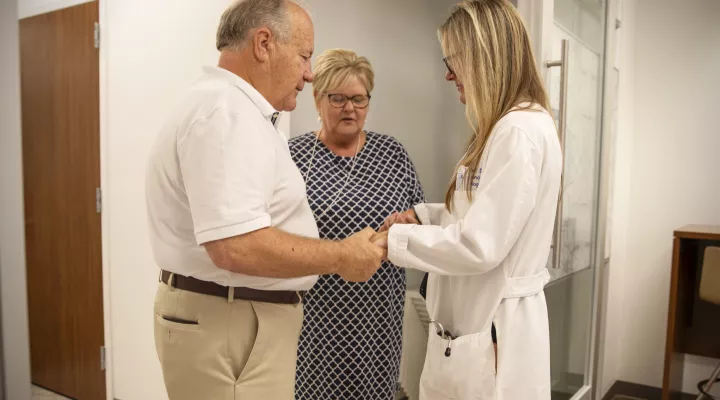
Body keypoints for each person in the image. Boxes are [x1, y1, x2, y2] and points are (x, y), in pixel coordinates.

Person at [145, 1, 385, 399]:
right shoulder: (225, 114)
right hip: (232, 324)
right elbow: (235, 246)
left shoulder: (238, 111)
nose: (309, 74)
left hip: (237, 319)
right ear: (263, 44)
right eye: (305, 57)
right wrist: (342, 255)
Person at [374, 0, 563, 398]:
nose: (448, 75)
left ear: (484, 57)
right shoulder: (503, 127)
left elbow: (481, 243)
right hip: (475, 330)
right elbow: (484, 211)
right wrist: (424, 218)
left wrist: (391, 243)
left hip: (493, 332)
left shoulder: (517, 131)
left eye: (453, 60)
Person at [288, 49, 426, 400]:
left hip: (377, 317)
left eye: (359, 99)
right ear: (318, 100)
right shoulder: (293, 156)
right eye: (338, 98)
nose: (349, 108)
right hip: (315, 316)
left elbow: (422, 222)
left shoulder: (393, 154)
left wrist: (409, 222)